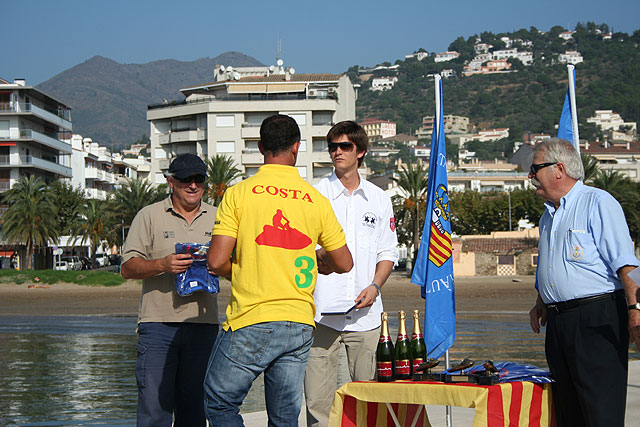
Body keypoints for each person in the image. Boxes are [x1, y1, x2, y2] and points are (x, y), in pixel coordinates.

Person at [204, 114, 353, 426]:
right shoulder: (315, 199)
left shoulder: (239, 194)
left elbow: (216, 262)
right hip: (299, 321)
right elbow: (344, 263)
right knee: (285, 418)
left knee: (219, 403)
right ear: (296, 148)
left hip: (252, 316)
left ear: (261, 147)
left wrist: (246, 268)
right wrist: (318, 261)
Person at [528, 138, 640, 427]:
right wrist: (541, 303)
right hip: (558, 322)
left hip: (596, 318)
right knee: (568, 411)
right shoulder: (547, 216)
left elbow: (625, 263)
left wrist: (635, 310)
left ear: (559, 169)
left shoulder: (597, 203)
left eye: (535, 168)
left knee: (600, 410)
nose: (530, 176)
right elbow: (553, 266)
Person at [303, 120, 398, 426]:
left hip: (366, 315)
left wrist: (375, 286)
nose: (337, 152)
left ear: (361, 152)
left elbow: (388, 252)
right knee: (317, 401)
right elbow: (301, 251)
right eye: (332, 146)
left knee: (371, 398)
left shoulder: (379, 198)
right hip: (319, 315)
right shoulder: (314, 195)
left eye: (345, 146)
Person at [121, 153, 219, 427]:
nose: (192, 185)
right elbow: (127, 267)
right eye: (185, 179)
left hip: (204, 325)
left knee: (195, 410)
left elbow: (238, 266)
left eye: (199, 179)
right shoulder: (149, 216)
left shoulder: (220, 217)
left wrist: (219, 266)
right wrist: (163, 264)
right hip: (157, 326)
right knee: (154, 410)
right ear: (170, 182)